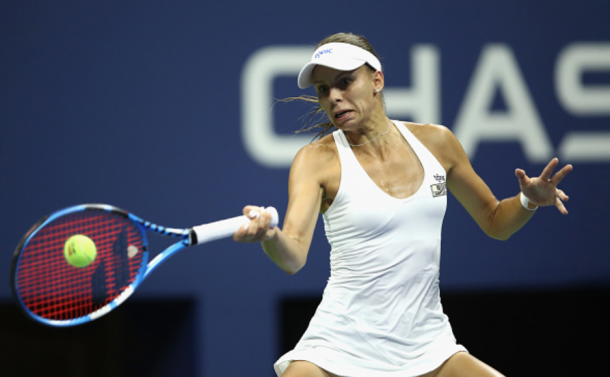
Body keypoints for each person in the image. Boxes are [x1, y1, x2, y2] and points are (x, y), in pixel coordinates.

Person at [234, 32, 573, 377]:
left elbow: (495, 221)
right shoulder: (315, 159)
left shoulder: (438, 143)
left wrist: (528, 199)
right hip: (337, 347)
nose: (334, 97)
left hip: (429, 345)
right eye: (323, 89)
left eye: (345, 82)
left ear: (376, 80)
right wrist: (271, 237)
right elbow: (293, 256)